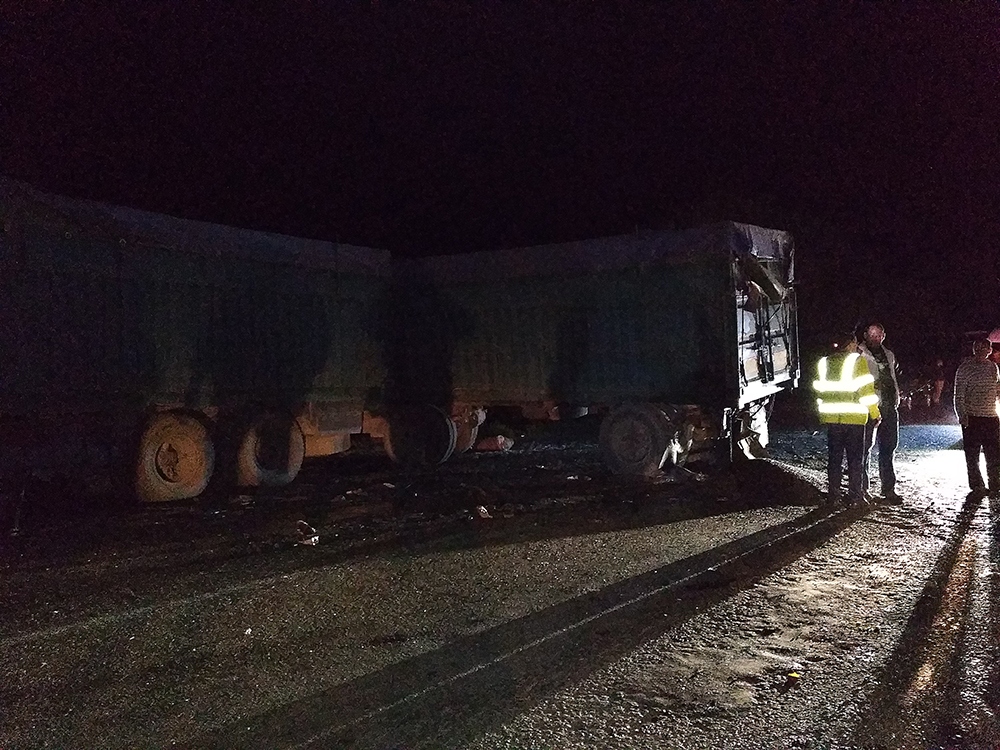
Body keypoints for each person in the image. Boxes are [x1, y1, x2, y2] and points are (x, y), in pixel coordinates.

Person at [814, 332, 881, 506]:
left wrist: (823, 414)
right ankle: (855, 497)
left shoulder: (824, 363)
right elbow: (866, 392)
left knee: (834, 459)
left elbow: (819, 390)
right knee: (855, 460)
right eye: (855, 342)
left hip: (832, 420)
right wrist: (875, 414)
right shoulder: (858, 362)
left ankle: (833, 496)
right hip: (854, 419)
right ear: (850, 344)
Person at [858, 323, 903, 504]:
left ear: (883, 335)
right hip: (869, 407)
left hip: (889, 406)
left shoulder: (889, 354)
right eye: (872, 334)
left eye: (878, 335)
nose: (875, 338)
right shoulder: (858, 354)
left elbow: (892, 377)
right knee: (864, 448)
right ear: (865, 335)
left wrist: (896, 397)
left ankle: (889, 489)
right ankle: (862, 489)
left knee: (889, 448)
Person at [953, 338, 1000, 498]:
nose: (980, 350)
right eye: (977, 347)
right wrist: (962, 415)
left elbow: (997, 388)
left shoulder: (993, 368)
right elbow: (959, 395)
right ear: (973, 349)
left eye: (984, 347)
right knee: (972, 455)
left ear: (989, 350)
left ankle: (995, 484)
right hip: (972, 417)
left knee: (994, 454)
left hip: (991, 417)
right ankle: (977, 485)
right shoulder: (965, 368)